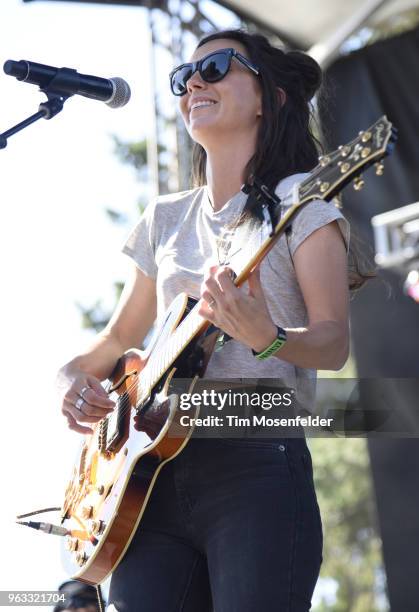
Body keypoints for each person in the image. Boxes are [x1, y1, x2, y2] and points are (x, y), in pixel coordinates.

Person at [57, 29, 353, 611]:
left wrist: (267, 340)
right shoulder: (165, 218)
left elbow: (332, 343)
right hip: (148, 482)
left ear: (271, 96)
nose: (193, 82)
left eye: (215, 67)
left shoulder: (305, 205)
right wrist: (70, 381)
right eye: (183, 78)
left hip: (257, 462)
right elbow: (118, 338)